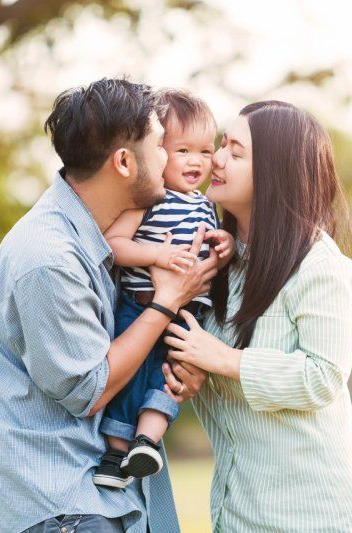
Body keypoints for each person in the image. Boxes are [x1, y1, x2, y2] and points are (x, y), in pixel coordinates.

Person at [0, 79, 217, 533]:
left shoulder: (105, 240)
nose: (170, 158)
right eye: (160, 145)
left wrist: (180, 364)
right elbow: (91, 388)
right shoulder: (47, 258)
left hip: (104, 500)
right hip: (67, 509)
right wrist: (166, 301)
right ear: (124, 162)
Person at [163, 100, 352, 531]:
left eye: (236, 151)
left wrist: (221, 359)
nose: (216, 157)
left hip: (322, 516)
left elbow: (322, 376)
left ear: (274, 172)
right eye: (222, 146)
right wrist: (194, 372)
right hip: (242, 516)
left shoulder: (317, 265)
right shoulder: (220, 263)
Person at [94, 88, 234, 488]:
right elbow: (115, 247)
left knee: (169, 378)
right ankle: (115, 456)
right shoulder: (148, 200)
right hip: (140, 307)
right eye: (183, 150)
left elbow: (211, 248)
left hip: (189, 313)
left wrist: (222, 246)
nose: (197, 162)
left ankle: (145, 443)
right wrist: (156, 256)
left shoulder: (207, 206)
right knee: (129, 377)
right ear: (157, 151)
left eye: (206, 152)